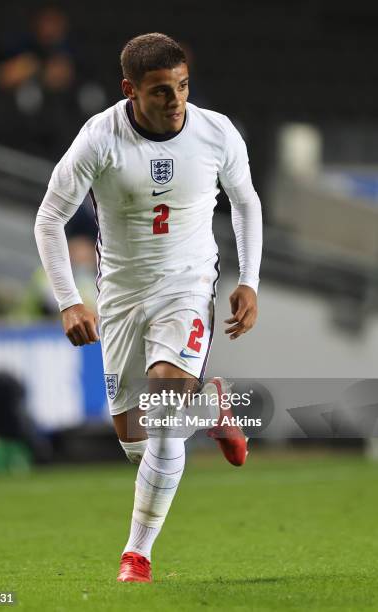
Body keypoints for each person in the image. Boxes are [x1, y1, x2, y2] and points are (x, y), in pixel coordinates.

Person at [35, 33, 263, 583]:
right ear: (130, 90)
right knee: (135, 440)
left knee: (161, 418)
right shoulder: (99, 139)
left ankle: (137, 555)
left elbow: (246, 202)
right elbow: (48, 220)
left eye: (182, 86)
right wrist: (70, 300)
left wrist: (249, 280)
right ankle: (209, 408)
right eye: (161, 91)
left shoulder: (215, 132)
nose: (176, 99)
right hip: (119, 295)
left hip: (186, 285)